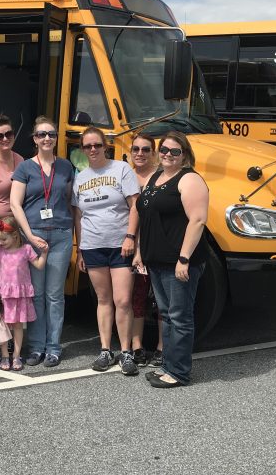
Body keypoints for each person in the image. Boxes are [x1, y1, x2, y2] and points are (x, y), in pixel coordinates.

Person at [133, 131, 210, 388]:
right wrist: (141, 252)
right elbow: (146, 216)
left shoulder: (189, 179)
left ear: (184, 155)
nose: (167, 154)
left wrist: (184, 258)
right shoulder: (156, 176)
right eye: (164, 149)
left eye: (174, 151)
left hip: (179, 262)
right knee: (166, 314)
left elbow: (198, 220)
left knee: (180, 316)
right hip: (157, 261)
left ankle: (179, 372)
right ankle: (167, 365)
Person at [72, 127, 140, 376]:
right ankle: (104, 350)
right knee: (103, 300)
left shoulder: (121, 169)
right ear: (82, 149)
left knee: (122, 300)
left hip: (119, 245)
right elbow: (78, 215)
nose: (93, 150)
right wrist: (79, 250)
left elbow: (135, 206)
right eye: (88, 146)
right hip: (92, 246)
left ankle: (126, 352)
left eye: (97, 145)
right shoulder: (80, 177)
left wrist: (130, 237)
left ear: (105, 146)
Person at [10, 116, 74, 368]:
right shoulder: (25, 168)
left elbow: (68, 200)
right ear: (34, 139)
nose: (47, 138)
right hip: (33, 233)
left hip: (60, 234)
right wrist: (29, 235)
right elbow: (15, 204)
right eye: (41, 134)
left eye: (51, 134)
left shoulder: (67, 167)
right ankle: (36, 347)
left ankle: (54, 348)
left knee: (55, 295)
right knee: (35, 294)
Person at [0, 215, 48, 370]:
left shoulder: (26, 249)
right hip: (4, 295)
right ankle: (4, 355)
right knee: (3, 327)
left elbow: (38, 265)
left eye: (4, 239)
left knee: (17, 326)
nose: (0, 243)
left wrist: (44, 253)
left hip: (20, 295)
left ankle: (16, 356)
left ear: (15, 235)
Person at [128, 133, 162, 368]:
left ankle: (161, 347)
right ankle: (136, 345)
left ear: (153, 153)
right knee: (136, 298)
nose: (140, 153)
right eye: (136, 149)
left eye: (145, 149)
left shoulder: (160, 178)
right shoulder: (124, 174)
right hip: (128, 244)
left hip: (153, 245)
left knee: (160, 299)